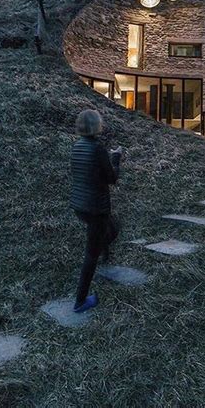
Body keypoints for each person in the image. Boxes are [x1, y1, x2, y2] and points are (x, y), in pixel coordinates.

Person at [70, 109, 122, 313]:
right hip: (96, 208)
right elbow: (112, 178)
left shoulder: (77, 146)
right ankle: (81, 301)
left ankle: (104, 253)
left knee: (112, 228)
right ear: (96, 125)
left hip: (79, 205)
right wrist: (116, 158)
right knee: (90, 254)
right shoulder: (98, 148)